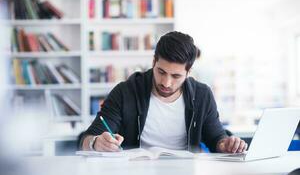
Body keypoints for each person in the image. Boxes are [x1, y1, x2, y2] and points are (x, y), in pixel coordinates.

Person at [78, 31, 247, 153]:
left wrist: (225, 145)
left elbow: (216, 137)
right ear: (154, 61)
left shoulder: (202, 95)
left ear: (188, 72)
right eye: (161, 72)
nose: (166, 83)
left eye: (176, 76)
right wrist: (96, 143)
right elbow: (87, 138)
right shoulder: (126, 91)